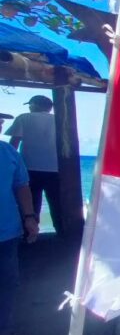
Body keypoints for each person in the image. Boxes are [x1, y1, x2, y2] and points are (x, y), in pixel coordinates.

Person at [1, 118, 39, 335]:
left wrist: (30, 218)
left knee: (8, 282)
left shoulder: (9, 153)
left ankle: (4, 330)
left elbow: (22, 186)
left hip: (7, 230)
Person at [6, 95, 62, 234]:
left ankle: (29, 235)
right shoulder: (59, 120)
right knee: (57, 205)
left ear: (35, 105)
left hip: (29, 168)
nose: (29, 107)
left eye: (30, 105)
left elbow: (13, 144)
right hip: (55, 169)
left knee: (30, 206)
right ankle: (62, 234)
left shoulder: (24, 118)